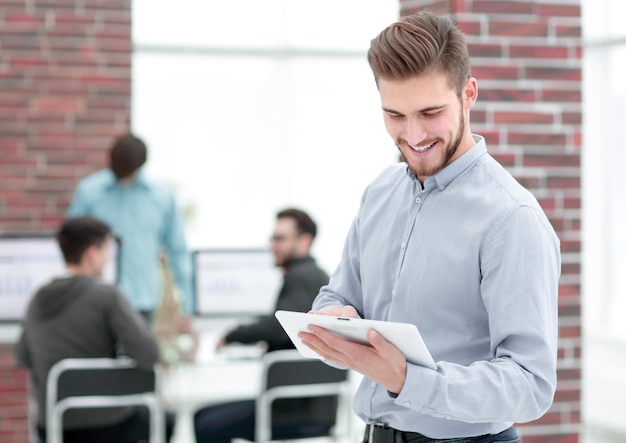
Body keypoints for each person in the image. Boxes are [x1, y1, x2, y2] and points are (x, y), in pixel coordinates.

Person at [298, 11, 561, 443]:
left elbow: (531, 384)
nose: (413, 134)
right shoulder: (380, 192)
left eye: (430, 112)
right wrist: (335, 320)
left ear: (468, 94)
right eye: (395, 115)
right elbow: (339, 294)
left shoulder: (512, 219)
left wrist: (408, 379)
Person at [14, 217, 174, 443]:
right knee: (167, 421)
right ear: (92, 253)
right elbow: (149, 354)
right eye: (106, 250)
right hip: (107, 425)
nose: (108, 258)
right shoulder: (106, 295)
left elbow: (22, 356)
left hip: (52, 426)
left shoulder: (38, 297)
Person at [194, 208, 332, 443]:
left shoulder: (302, 277)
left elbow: (277, 325)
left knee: (205, 423)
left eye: (280, 238)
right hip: (307, 405)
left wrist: (231, 335)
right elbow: (291, 328)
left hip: (294, 410)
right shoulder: (315, 276)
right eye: (272, 238)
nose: (272, 245)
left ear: (304, 241)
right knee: (203, 416)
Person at [66, 133, 193, 323]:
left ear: (139, 166)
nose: (122, 178)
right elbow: (70, 245)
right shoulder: (89, 192)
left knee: (141, 352)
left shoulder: (162, 197)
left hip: (141, 301)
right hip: (95, 300)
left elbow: (178, 251)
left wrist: (189, 307)